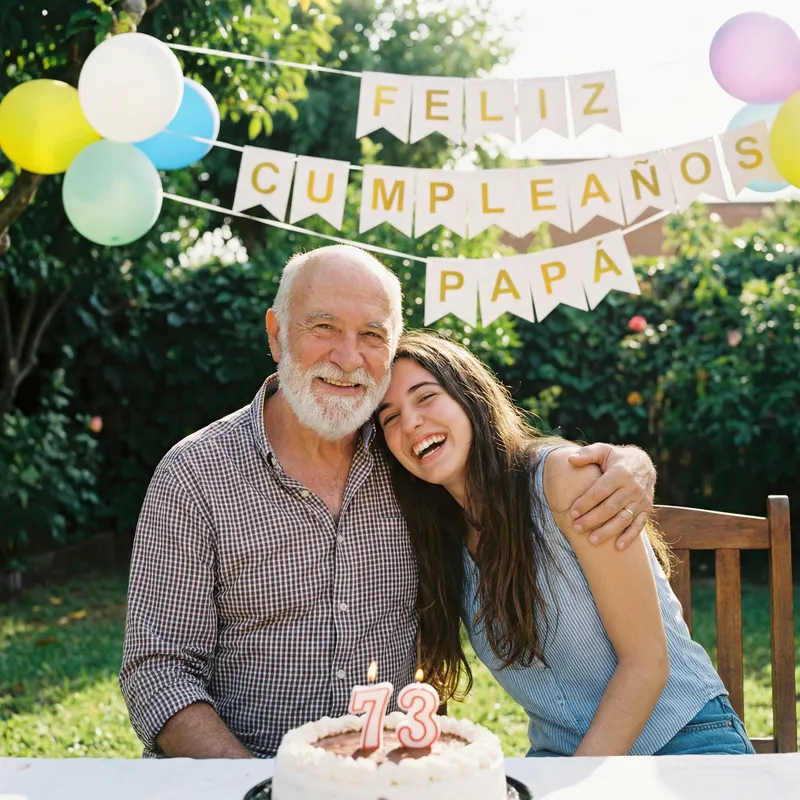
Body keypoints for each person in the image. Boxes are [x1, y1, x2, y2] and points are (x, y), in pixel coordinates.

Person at [120, 244, 658, 759]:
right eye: (324, 326)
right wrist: (261, 784)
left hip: (388, 774)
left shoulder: (412, 459)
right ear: (277, 334)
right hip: (247, 773)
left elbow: (511, 463)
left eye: (373, 335)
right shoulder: (194, 475)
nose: (348, 357)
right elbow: (156, 670)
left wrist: (631, 461)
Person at [376, 330, 755, 757]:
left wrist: (574, 785)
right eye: (390, 417)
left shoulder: (562, 480)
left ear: (471, 397)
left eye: (425, 397)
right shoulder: (437, 541)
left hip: (683, 742)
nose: (410, 422)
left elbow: (647, 663)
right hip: (560, 757)